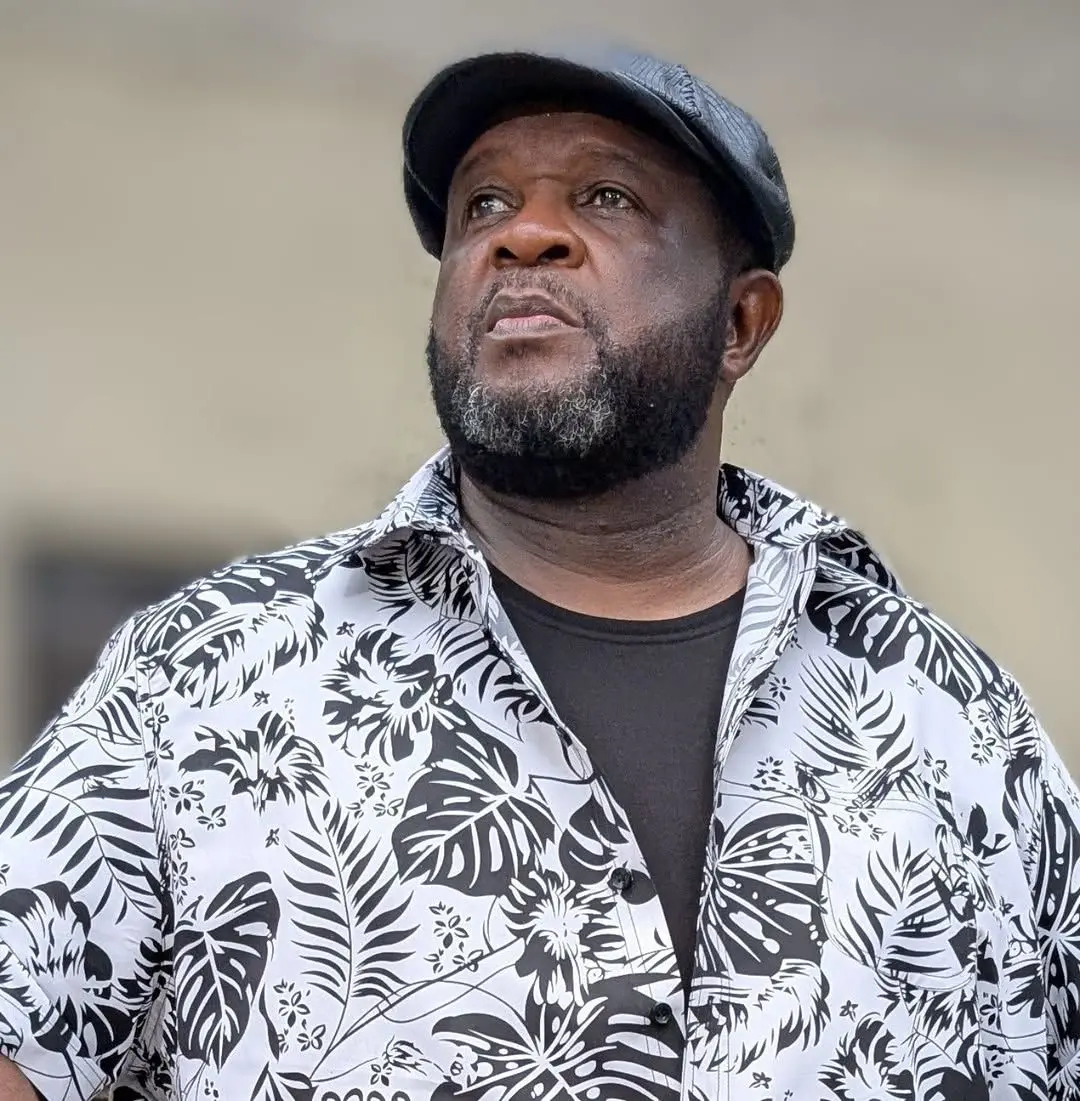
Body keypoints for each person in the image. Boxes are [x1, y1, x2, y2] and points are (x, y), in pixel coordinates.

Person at [0, 44, 1076, 1101]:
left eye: (606, 197)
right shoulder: (207, 673)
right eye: (484, 205)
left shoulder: (951, 722)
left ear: (741, 323)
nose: (523, 235)